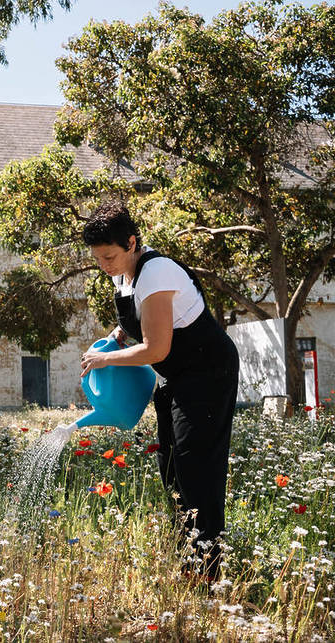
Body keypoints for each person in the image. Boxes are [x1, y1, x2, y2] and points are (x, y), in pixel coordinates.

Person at [79, 200, 239, 580]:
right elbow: (139, 323)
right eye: (98, 259)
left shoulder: (157, 273)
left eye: (109, 257)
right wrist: (117, 335)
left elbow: (156, 349)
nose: (105, 266)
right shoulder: (124, 275)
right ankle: (190, 558)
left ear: (132, 242)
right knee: (170, 467)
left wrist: (105, 361)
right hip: (177, 376)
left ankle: (207, 571)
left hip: (207, 372)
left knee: (195, 465)